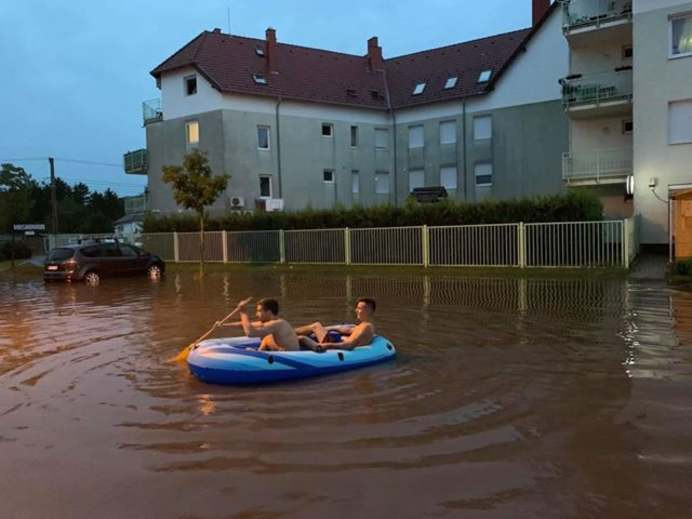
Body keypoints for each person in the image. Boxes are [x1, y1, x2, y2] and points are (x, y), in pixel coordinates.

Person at [296, 297, 377, 351]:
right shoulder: (364, 326)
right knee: (317, 328)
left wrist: (326, 346)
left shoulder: (366, 327)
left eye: (359, 308)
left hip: (328, 346)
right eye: (357, 308)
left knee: (309, 331)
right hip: (335, 342)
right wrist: (329, 329)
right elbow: (346, 330)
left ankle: (289, 333)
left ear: (369, 310)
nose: (356, 310)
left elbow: (349, 345)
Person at [220, 298, 300, 351]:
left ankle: (258, 353)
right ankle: (259, 352)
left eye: (259, 311)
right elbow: (243, 324)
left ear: (269, 312)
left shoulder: (277, 324)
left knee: (267, 337)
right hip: (284, 351)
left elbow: (250, 333)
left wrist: (243, 313)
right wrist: (222, 324)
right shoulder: (271, 323)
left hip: (291, 356)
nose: (256, 314)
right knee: (267, 338)